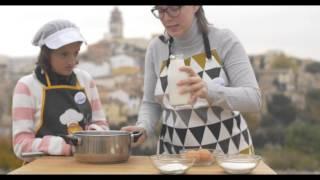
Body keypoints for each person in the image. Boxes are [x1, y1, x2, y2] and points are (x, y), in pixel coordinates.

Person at [122, 6, 262, 155]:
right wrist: (144, 127)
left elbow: (254, 99)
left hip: (229, 157)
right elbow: (151, 103)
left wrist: (210, 91)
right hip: (174, 159)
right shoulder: (156, 48)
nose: (167, 18)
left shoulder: (224, 39)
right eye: (161, 11)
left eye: (174, 8)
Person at [12, 19, 109, 161]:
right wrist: (65, 146)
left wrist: (93, 134)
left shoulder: (86, 80)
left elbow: (102, 126)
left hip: (84, 168)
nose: (72, 61)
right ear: (46, 54)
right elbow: (21, 145)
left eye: (75, 53)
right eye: (64, 54)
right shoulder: (26, 86)